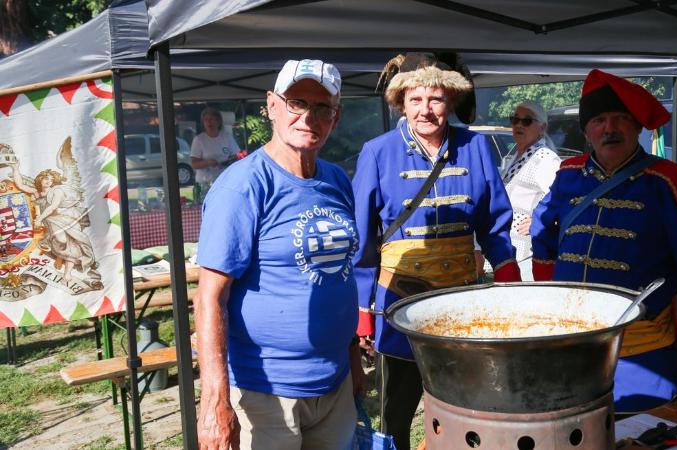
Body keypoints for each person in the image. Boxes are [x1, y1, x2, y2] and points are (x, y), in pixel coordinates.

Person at [530, 69, 677, 412]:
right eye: (599, 120)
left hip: (641, 353)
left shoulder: (667, 181)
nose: (610, 129)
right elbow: (542, 234)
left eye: (620, 119)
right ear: (586, 130)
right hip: (570, 345)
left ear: (637, 127)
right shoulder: (568, 174)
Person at [194, 59, 366, 450]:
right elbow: (209, 297)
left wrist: (353, 359)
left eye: (323, 108)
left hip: (334, 386)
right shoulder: (242, 187)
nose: (309, 117)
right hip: (267, 393)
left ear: (335, 118)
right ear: (272, 105)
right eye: (297, 102)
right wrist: (215, 401)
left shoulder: (337, 180)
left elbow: (338, 275)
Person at [352, 52, 520, 450]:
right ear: (400, 102)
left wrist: (509, 277)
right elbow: (363, 238)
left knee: (464, 404)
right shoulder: (377, 152)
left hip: (461, 300)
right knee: (397, 408)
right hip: (399, 302)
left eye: (435, 99)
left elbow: (495, 222)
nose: (425, 110)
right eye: (415, 99)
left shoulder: (476, 147)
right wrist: (363, 311)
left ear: (450, 102)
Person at [499, 101, 561, 280]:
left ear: (542, 128)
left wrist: (538, 220)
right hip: (509, 248)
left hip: (527, 252)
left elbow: (561, 201)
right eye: (515, 119)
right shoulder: (516, 155)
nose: (518, 124)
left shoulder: (545, 159)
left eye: (526, 121)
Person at [190, 106, 241, 197]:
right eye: (206, 120)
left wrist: (230, 161)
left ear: (218, 121)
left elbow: (236, 156)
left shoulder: (226, 137)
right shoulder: (199, 140)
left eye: (211, 119)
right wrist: (209, 162)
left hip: (225, 180)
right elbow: (194, 164)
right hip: (205, 184)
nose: (209, 122)